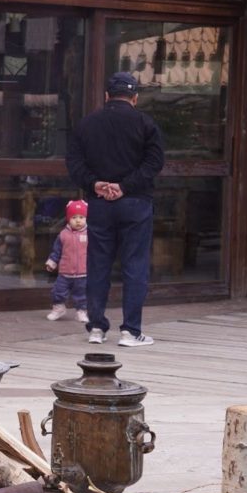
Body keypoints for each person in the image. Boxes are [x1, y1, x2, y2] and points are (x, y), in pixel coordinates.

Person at [66, 72, 165, 347]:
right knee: (135, 265)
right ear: (135, 97)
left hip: (99, 204)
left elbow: (74, 162)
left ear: (107, 96)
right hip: (136, 203)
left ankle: (96, 328)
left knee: (98, 265)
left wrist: (95, 184)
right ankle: (131, 331)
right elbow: (154, 163)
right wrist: (125, 186)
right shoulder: (146, 124)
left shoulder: (87, 124)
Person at [44, 200, 89, 323]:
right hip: (65, 272)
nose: (78, 220)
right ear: (69, 219)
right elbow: (56, 251)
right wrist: (52, 262)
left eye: (81, 217)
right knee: (58, 291)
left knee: (82, 294)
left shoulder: (90, 234)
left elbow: (94, 253)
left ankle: (81, 311)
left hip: (83, 272)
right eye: (74, 217)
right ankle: (59, 308)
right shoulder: (63, 235)